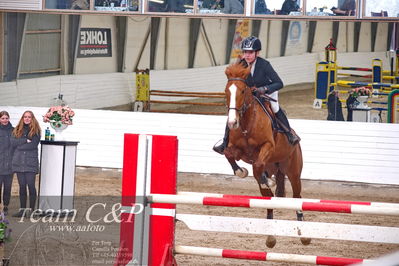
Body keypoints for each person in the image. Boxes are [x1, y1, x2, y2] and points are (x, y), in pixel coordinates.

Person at [213, 36, 299, 155]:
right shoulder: (241, 64)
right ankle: (225, 141)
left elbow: (279, 83)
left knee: (275, 108)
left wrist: (264, 89)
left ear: (257, 53)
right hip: (249, 96)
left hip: (267, 92)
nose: (247, 55)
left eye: (250, 52)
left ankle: (289, 134)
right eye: (245, 52)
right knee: (234, 112)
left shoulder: (264, 65)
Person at [11, 111, 41, 218]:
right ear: (22, 118)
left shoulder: (36, 131)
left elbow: (33, 145)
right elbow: (13, 142)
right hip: (19, 162)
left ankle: (33, 210)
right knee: (22, 186)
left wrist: (20, 145)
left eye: (29, 117)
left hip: (30, 163)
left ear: (32, 118)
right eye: (25, 117)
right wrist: (25, 140)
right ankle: (22, 210)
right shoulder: (17, 129)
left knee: (31, 186)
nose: (27, 118)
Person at [0, 111, 14, 216]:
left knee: (8, 187)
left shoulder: (13, 131)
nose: (5, 120)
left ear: (9, 119)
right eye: (3, 118)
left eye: (6, 118)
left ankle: (6, 206)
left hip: (10, 164)